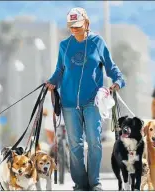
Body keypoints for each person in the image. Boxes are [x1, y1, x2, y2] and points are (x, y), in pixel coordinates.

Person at [46, 7, 125, 191]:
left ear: (86, 23)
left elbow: (111, 68)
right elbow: (59, 71)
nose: (74, 29)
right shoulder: (64, 46)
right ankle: (80, 184)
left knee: (94, 141)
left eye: (77, 25)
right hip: (69, 103)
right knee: (75, 144)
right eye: (71, 26)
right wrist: (51, 82)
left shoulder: (97, 42)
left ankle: (94, 183)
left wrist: (118, 81)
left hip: (92, 101)